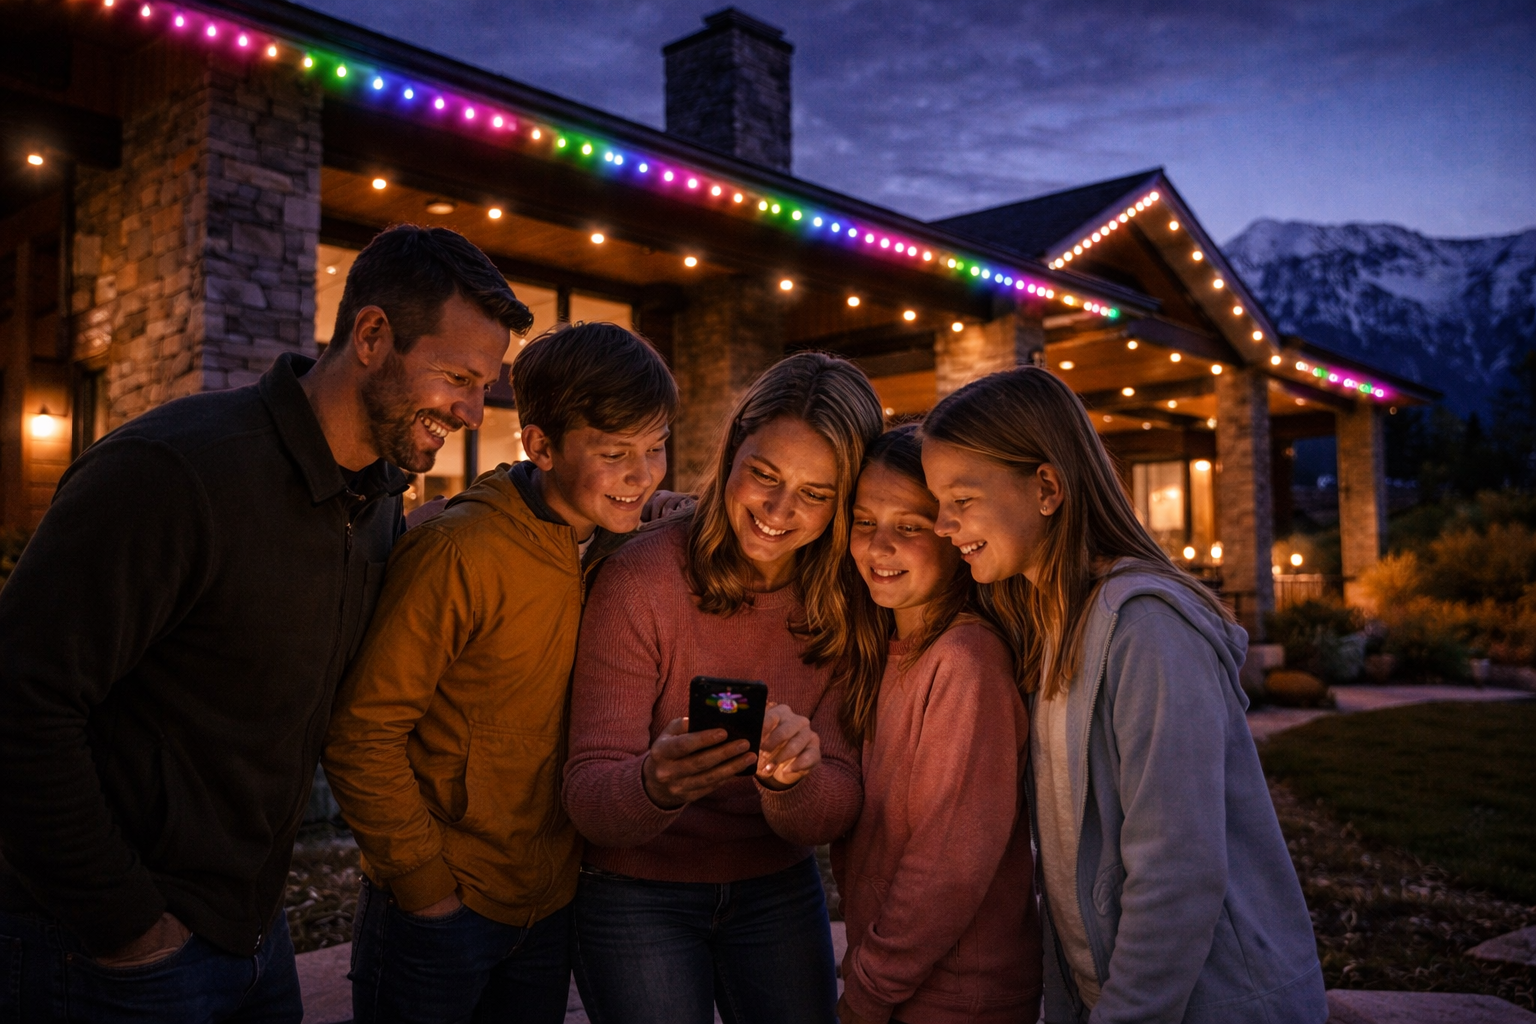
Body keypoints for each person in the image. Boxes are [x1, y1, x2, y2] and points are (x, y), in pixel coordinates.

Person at [0, 223, 530, 1023]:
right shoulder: (175, 472)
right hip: (103, 952)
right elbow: (19, 702)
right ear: (373, 335)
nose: (470, 408)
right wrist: (126, 924)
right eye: (457, 375)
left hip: (251, 937)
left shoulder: (377, 505)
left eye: (483, 385)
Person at [919, 366, 1328, 1024]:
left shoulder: (1147, 632)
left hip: (1218, 1004)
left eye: (959, 499)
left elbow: (1177, 869)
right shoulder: (1051, 622)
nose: (941, 524)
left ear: (1047, 486)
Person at [323, 321, 678, 1024]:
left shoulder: (613, 544)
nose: (643, 473)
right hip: (439, 909)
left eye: (656, 447)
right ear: (539, 445)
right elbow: (360, 736)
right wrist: (427, 890)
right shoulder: (462, 552)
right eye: (616, 453)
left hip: (547, 906)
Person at [563, 352, 883, 1024]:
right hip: (634, 888)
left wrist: (795, 781)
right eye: (763, 475)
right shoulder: (642, 579)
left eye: (815, 494)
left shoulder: (851, 601)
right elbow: (588, 792)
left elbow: (842, 798)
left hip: (776, 883)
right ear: (731, 450)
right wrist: (655, 783)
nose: (777, 509)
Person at [832, 424, 1041, 1024]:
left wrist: (866, 993)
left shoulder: (966, 662)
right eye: (865, 522)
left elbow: (947, 864)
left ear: (955, 536)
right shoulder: (886, 651)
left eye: (911, 526)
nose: (879, 546)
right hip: (903, 982)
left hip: (961, 995)